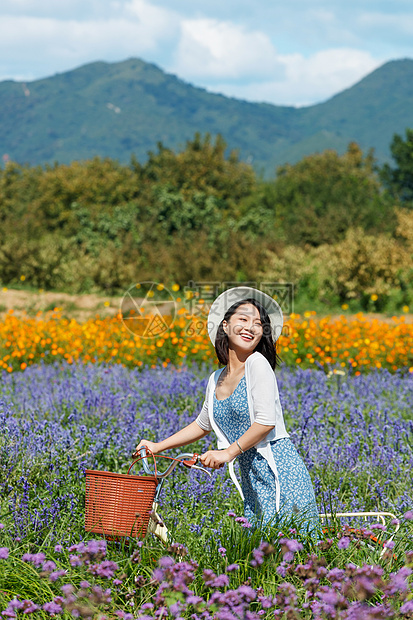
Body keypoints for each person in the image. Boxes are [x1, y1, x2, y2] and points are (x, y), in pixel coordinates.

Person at [135, 286, 319, 535]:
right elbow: (203, 424)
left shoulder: (257, 364)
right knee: (260, 556)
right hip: (252, 476)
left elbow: (266, 422)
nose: (250, 327)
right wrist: (158, 447)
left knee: (293, 553)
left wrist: (227, 453)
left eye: (257, 323)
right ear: (225, 325)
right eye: (243, 319)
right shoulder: (215, 378)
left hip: (281, 472)